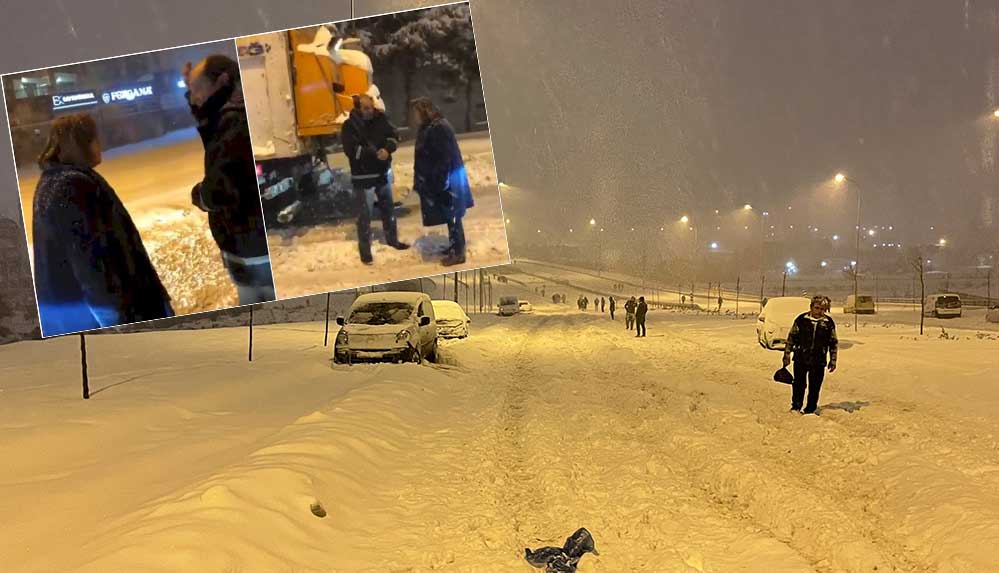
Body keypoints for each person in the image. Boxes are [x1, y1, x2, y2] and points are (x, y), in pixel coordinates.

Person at [32, 113, 173, 336]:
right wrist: (115, 317)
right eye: (95, 139)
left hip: (81, 306)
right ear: (81, 144)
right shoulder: (72, 186)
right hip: (110, 309)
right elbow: (89, 260)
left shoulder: (55, 180)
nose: (100, 144)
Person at [185, 55, 275, 304]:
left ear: (222, 81)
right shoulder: (231, 114)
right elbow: (209, 126)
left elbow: (220, 191)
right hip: (249, 246)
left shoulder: (233, 123)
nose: (194, 97)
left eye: (197, 89)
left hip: (249, 249)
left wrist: (199, 195)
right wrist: (192, 97)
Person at [341, 93, 410, 265]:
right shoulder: (349, 126)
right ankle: (365, 253)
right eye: (365, 108)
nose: (370, 111)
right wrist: (374, 154)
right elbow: (351, 150)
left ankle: (393, 241)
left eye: (371, 107)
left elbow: (394, 137)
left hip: (382, 174)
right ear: (358, 109)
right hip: (363, 177)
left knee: (388, 211)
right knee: (364, 216)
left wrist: (387, 149)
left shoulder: (381, 120)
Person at [411, 97, 473, 266]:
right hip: (441, 178)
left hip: (447, 179)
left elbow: (445, 157)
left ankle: (458, 253)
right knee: (449, 216)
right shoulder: (430, 127)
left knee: (453, 216)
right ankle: (454, 246)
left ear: (424, 111)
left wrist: (442, 180)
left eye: (417, 112)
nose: (415, 116)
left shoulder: (438, 128)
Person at [783, 296, 838, 415]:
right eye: (817, 308)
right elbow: (791, 337)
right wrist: (786, 355)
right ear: (811, 307)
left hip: (819, 360)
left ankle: (810, 409)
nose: (819, 311)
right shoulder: (801, 320)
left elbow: (833, 342)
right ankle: (796, 407)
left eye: (822, 309)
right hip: (800, 358)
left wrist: (833, 360)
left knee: (815, 386)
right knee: (799, 384)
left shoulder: (828, 323)